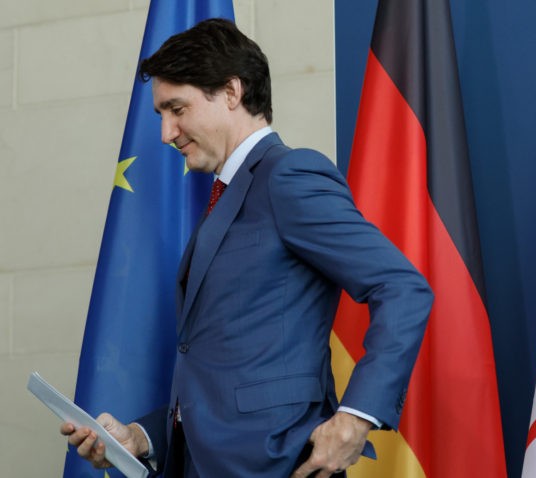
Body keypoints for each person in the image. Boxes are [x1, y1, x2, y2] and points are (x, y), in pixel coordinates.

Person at [61, 18, 433, 477]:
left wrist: (356, 417)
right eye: (161, 114)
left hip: (274, 466)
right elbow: (220, 369)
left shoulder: (289, 176)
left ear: (232, 92)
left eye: (176, 108)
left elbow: (402, 287)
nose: (165, 132)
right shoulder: (224, 196)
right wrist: (141, 437)